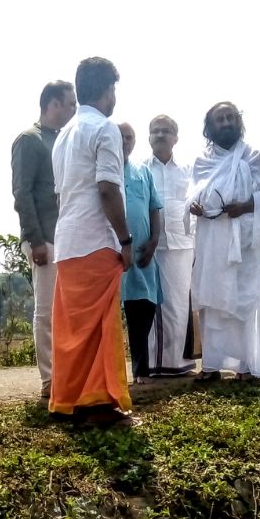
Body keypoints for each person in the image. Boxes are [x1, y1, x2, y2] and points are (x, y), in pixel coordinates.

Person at [49, 57, 134, 426]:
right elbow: (107, 189)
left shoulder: (64, 134)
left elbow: (59, 195)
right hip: (96, 239)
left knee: (73, 330)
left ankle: (70, 400)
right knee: (99, 326)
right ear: (108, 90)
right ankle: (98, 405)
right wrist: (126, 238)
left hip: (68, 241)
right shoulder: (104, 128)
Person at [188, 102, 260, 380]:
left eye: (230, 117)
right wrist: (194, 207)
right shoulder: (201, 162)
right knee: (213, 300)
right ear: (209, 128)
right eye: (220, 119)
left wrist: (245, 206)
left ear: (238, 122)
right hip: (211, 240)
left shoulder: (253, 156)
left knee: (243, 300)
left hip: (243, 241)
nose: (226, 123)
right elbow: (191, 195)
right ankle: (212, 365)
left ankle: (247, 366)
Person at [11, 80, 76, 398]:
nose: (74, 109)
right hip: (44, 239)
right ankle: (50, 381)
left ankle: (66, 375)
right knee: (47, 311)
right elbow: (22, 193)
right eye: (70, 103)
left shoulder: (63, 139)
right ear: (53, 104)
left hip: (67, 238)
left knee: (65, 312)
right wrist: (35, 240)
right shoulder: (29, 140)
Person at [145, 115, 197, 375]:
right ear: (149, 137)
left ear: (176, 138)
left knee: (177, 304)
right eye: (155, 131)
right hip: (151, 245)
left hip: (182, 243)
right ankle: (154, 363)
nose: (160, 135)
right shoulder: (141, 169)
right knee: (151, 306)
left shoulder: (188, 169)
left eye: (166, 131)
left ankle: (177, 362)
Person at [118, 122, 163, 382]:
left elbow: (154, 208)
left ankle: (141, 371)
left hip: (143, 252)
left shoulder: (144, 171)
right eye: (120, 137)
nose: (125, 141)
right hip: (113, 253)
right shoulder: (103, 169)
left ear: (135, 142)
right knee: (110, 312)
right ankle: (110, 374)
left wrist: (155, 239)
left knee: (143, 309)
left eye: (129, 137)